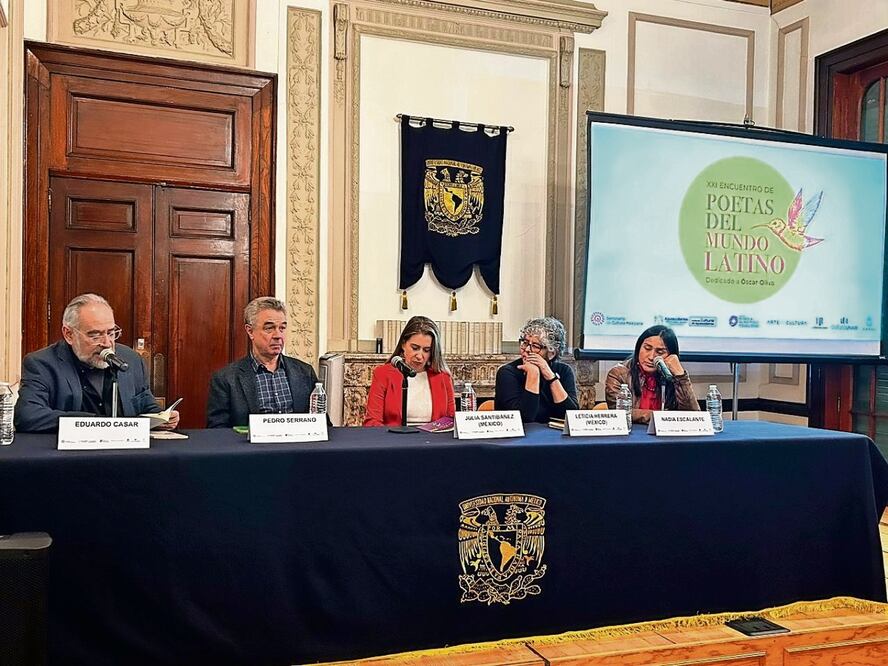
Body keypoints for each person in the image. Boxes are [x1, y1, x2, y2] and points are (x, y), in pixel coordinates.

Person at [14, 293, 179, 433]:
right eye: (95, 335)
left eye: (111, 332)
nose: (107, 343)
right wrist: (94, 423)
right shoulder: (41, 363)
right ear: (69, 334)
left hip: (127, 456)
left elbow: (146, 406)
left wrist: (161, 418)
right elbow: (27, 415)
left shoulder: (131, 359)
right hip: (68, 458)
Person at [207, 297, 320, 428]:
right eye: (269, 328)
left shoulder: (305, 372)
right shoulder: (226, 379)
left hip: (298, 447)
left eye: (282, 328)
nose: (278, 335)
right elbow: (217, 431)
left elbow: (322, 422)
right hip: (251, 448)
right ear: (250, 331)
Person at [363, 316, 455, 427]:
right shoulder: (383, 374)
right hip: (394, 440)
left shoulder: (443, 377)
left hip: (432, 441)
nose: (420, 356)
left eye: (426, 350)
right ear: (403, 344)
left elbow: (451, 420)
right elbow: (372, 421)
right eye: (415, 348)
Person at [605, 324, 699, 424]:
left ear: (671, 355)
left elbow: (694, 417)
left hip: (666, 437)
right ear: (639, 348)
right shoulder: (619, 374)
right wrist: (663, 418)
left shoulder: (670, 375)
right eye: (647, 348)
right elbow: (620, 413)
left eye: (660, 352)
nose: (651, 357)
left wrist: (680, 376)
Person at [494, 317, 578, 423]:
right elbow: (523, 419)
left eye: (535, 346)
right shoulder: (507, 372)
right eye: (525, 343)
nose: (527, 350)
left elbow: (571, 417)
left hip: (555, 438)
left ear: (551, 353)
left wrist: (551, 377)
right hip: (519, 438)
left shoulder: (564, 371)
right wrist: (533, 374)